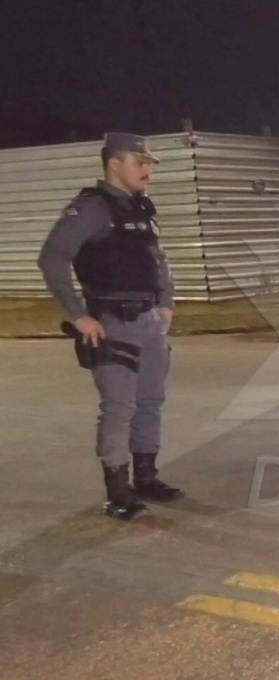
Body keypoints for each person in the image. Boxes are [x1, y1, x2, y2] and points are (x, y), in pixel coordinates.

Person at [37, 133, 183, 520]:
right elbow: (52, 259)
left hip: (151, 321)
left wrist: (166, 303)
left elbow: (159, 259)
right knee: (119, 408)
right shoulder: (91, 209)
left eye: (148, 163)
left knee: (151, 403)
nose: (147, 170)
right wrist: (78, 314)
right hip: (113, 323)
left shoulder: (141, 208)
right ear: (114, 164)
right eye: (140, 163)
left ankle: (146, 479)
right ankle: (118, 493)